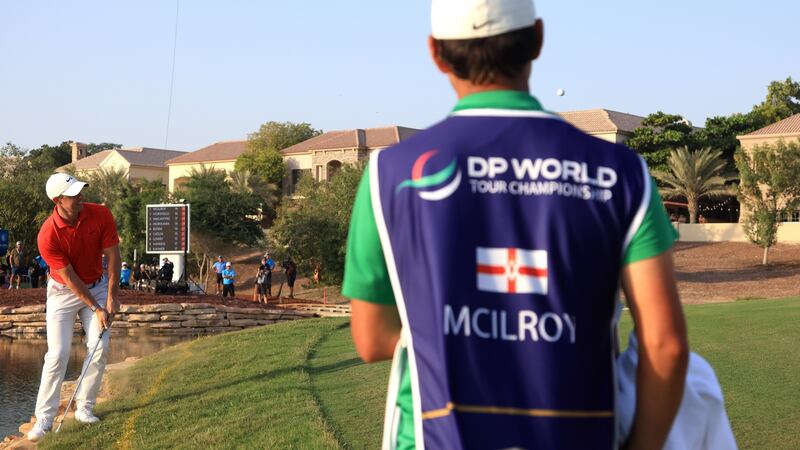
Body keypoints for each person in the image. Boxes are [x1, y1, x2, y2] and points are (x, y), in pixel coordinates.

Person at [342, 1, 690, 448]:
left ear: (436, 53)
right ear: (537, 39)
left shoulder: (390, 172)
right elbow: (667, 346)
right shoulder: (620, 172)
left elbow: (371, 339)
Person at [27, 173, 120, 442]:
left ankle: (85, 407)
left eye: (80, 191)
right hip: (62, 293)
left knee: (100, 347)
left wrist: (111, 298)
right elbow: (69, 278)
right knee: (57, 354)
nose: (81, 197)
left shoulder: (100, 214)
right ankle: (44, 420)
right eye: (74, 194)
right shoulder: (47, 235)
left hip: (98, 285)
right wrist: (96, 307)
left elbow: (113, 255)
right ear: (58, 201)